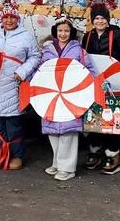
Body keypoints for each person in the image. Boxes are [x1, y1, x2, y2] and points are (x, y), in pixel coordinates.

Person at [82, 2, 120, 175]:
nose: (99, 21)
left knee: (111, 118)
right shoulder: (87, 36)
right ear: (93, 20)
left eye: (102, 18)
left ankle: (112, 154)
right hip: (94, 82)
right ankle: (95, 150)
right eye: (97, 18)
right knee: (94, 116)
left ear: (108, 20)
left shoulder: (116, 34)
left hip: (113, 83)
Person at [39, 17, 97, 181]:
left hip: (72, 95)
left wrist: (96, 85)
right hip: (51, 95)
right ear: (55, 32)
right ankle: (57, 162)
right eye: (60, 31)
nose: (63, 34)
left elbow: (90, 70)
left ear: (71, 33)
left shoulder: (79, 51)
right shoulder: (47, 51)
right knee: (53, 132)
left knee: (68, 132)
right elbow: (40, 70)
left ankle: (68, 168)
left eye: (66, 31)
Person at [0, 0, 40, 170]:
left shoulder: (26, 36)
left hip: (13, 83)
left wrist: (22, 71)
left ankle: (16, 155)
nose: (9, 20)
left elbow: (35, 56)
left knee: (13, 123)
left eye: (12, 17)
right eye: (5, 17)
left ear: (18, 18)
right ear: (1, 18)